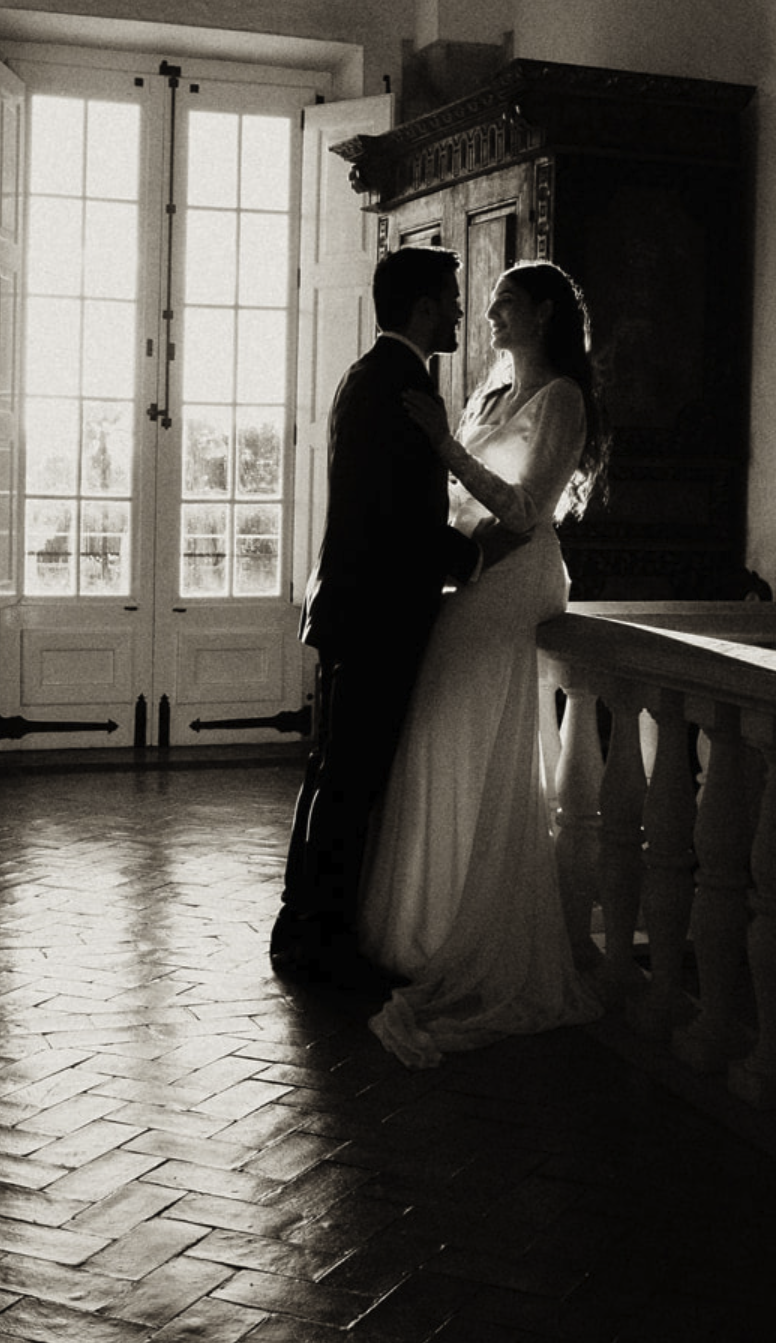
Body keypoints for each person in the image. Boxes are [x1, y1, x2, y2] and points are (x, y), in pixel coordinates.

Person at [359, 259, 611, 1068]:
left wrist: (443, 448)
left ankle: (484, 942)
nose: (488, 317)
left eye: (503, 304)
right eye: (489, 304)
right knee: (438, 741)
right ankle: (425, 928)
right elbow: (458, 499)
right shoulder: (489, 393)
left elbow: (529, 508)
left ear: (541, 313)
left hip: (514, 581)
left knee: (479, 743)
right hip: (467, 578)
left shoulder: (562, 399)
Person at [271, 245, 483, 991]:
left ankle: (302, 927)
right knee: (350, 779)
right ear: (424, 307)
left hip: (352, 605)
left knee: (334, 772)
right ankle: (320, 944)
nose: (460, 312)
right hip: (376, 613)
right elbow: (395, 514)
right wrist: (478, 561)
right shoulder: (401, 386)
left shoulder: (370, 375)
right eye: (452, 300)